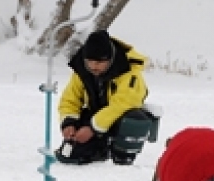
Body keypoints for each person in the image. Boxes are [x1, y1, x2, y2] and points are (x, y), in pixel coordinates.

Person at [56, 30, 153, 166]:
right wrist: (68, 122)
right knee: (72, 155)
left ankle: (121, 154)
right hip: (95, 116)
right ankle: (98, 149)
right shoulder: (81, 70)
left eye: (100, 62)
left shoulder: (129, 71)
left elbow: (123, 104)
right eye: (90, 62)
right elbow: (70, 98)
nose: (94, 66)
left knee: (134, 118)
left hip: (117, 118)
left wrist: (92, 128)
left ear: (110, 59)